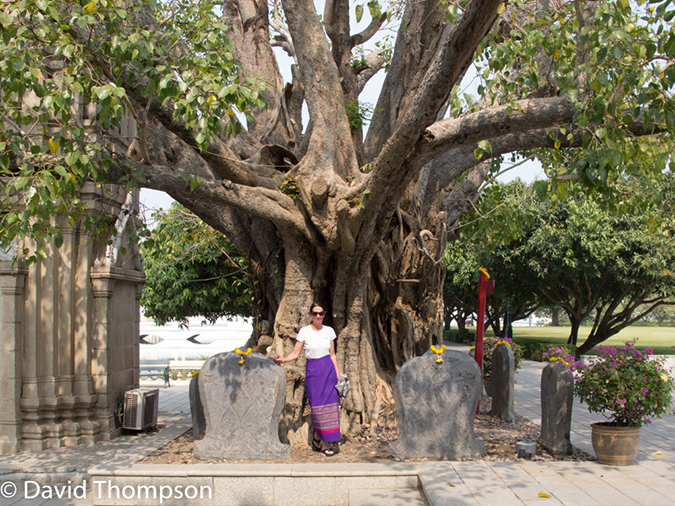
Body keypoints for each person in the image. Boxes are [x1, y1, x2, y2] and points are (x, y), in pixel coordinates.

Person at [274, 302, 341, 456]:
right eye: (315, 313)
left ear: (324, 314)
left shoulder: (329, 331)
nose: (318, 316)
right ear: (311, 315)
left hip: (328, 370)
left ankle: (325, 443)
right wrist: (282, 360)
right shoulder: (304, 332)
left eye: (321, 313)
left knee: (329, 407)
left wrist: (337, 374)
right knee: (317, 408)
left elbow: (332, 354)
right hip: (313, 371)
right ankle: (317, 436)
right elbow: (295, 354)